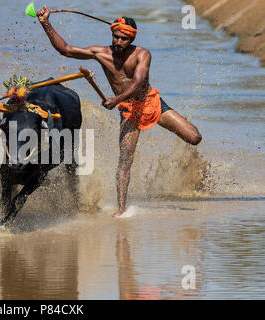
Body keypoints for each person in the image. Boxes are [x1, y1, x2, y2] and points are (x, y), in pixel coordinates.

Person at [36, 6, 202, 216]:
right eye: (116, 37)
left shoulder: (143, 54)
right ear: (112, 34)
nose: (118, 42)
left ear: (131, 40)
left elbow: (139, 80)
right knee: (125, 160)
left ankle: (195, 172)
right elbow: (66, 50)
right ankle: (121, 208)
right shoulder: (101, 53)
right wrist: (46, 24)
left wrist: (116, 99)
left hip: (151, 102)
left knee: (194, 137)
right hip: (128, 111)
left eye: (124, 39)